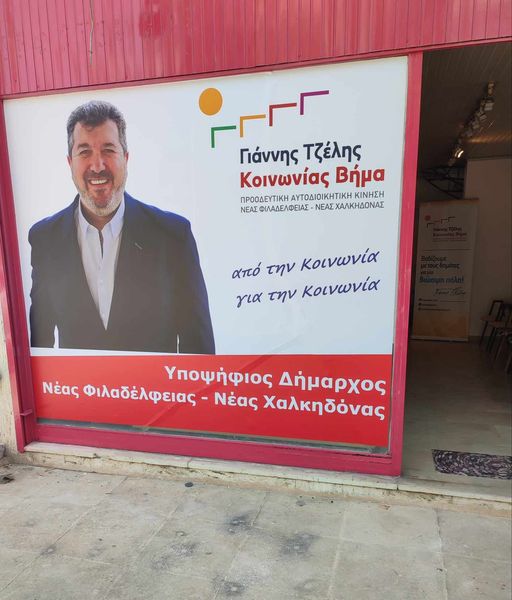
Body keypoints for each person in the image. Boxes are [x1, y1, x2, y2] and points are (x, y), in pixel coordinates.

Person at [28, 100, 215, 354]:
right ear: (69, 163)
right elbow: (40, 348)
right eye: (84, 152)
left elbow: (200, 352)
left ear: (126, 158)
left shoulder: (173, 236)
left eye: (108, 150)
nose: (97, 166)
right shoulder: (44, 240)